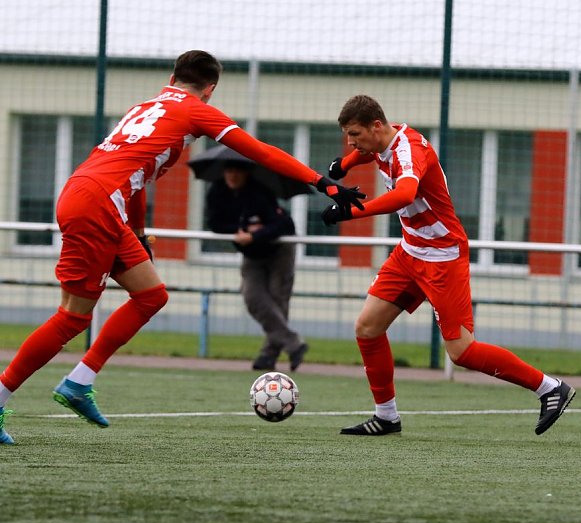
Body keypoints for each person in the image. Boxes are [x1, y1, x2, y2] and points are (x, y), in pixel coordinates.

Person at [0, 50, 363, 445]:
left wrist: (138, 233)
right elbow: (258, 151)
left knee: (150, 295)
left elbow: (135, 178)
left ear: (172, 76)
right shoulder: (196, 109)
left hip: (91, 195)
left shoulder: (144, 107)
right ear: (210, 89)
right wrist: (321, 182)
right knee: (72, 317)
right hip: (98, 205)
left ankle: (78, 382)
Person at [321, 94, 575, 436]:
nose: (352, 142)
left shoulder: (409, 150)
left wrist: (352, 211)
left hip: (442, 254)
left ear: (376, 125)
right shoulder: (383, 140)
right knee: (367, 327)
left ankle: (549, 388)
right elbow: (371, 151)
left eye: (355, 134)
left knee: (462, 351)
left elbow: (405, 194)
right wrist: (347, 163)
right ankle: (387, 417)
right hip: (410, 251)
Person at [205, 160, 309, 372]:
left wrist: (256, 234)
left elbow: (283, 225)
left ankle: (268, 356)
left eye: (237, 171)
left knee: (278, 299)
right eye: (229, 170)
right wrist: (243, 229)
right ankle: (293, 343)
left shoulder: (260, 193)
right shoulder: (217, 191)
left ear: (247, 174)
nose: (232, 175)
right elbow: (215, 223)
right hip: (251, 253)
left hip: (279, 249)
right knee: (252, 296)